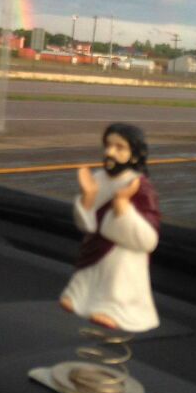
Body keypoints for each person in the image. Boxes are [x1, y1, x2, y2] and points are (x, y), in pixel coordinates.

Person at [59, 122, 160, 332]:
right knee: (87, 276)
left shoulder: (139, 186)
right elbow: (86, 225)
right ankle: (80, 298)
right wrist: (88, 197)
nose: (110, 152)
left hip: (123, 254)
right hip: (94, 249)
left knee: (118, 274)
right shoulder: (98, 178)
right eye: (108, 145)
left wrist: (122, 204)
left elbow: (148, 240)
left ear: (133, 155)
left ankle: (114, 309)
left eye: (119, 147)